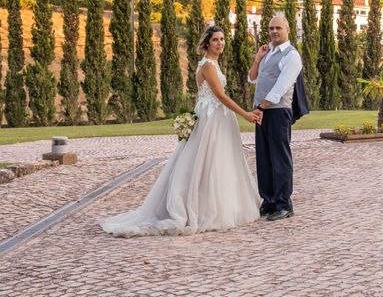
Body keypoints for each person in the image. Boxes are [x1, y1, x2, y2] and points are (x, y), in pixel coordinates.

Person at [101, 26, 261, 237]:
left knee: (214, 161)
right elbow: (220, 95)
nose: (220, 43)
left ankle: (216, 204)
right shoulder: (208, 66)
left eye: (222, 39)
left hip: (211, 115)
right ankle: (205, 209)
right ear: (207, 43)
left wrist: (192, 116)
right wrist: (245, 114)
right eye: (215, 40)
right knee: (206, 161)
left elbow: (200, 96)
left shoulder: (210, 64)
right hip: (212, 118)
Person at [249, 16, 303, 221]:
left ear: (287, 29)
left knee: (280, 157)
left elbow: (281, 87)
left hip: (277, 111)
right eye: (271, 28)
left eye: (278, 28)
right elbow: (252, 78)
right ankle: (268, 201)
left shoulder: (291, 56)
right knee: (264, 157)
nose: (273, 31)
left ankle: (283, 203)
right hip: (262, 110)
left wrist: (260, 107)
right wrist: (257, 59)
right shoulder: (268, 52)